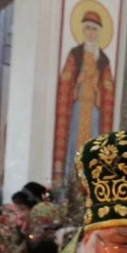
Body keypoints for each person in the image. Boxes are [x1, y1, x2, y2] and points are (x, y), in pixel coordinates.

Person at [53, 11, 115, 183]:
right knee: (74, 143)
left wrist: (98, 87)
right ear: (82, 30)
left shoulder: (103, 60)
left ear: (98, 33)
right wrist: (79, 80)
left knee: (93, 146)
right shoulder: (76, 54)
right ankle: (69, 184)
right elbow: (66, 80)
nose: (90, 33)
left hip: (94, 109)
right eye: (87, 28)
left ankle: (90, 184)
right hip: (78, 108)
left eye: (94, 29)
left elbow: (108, 88)